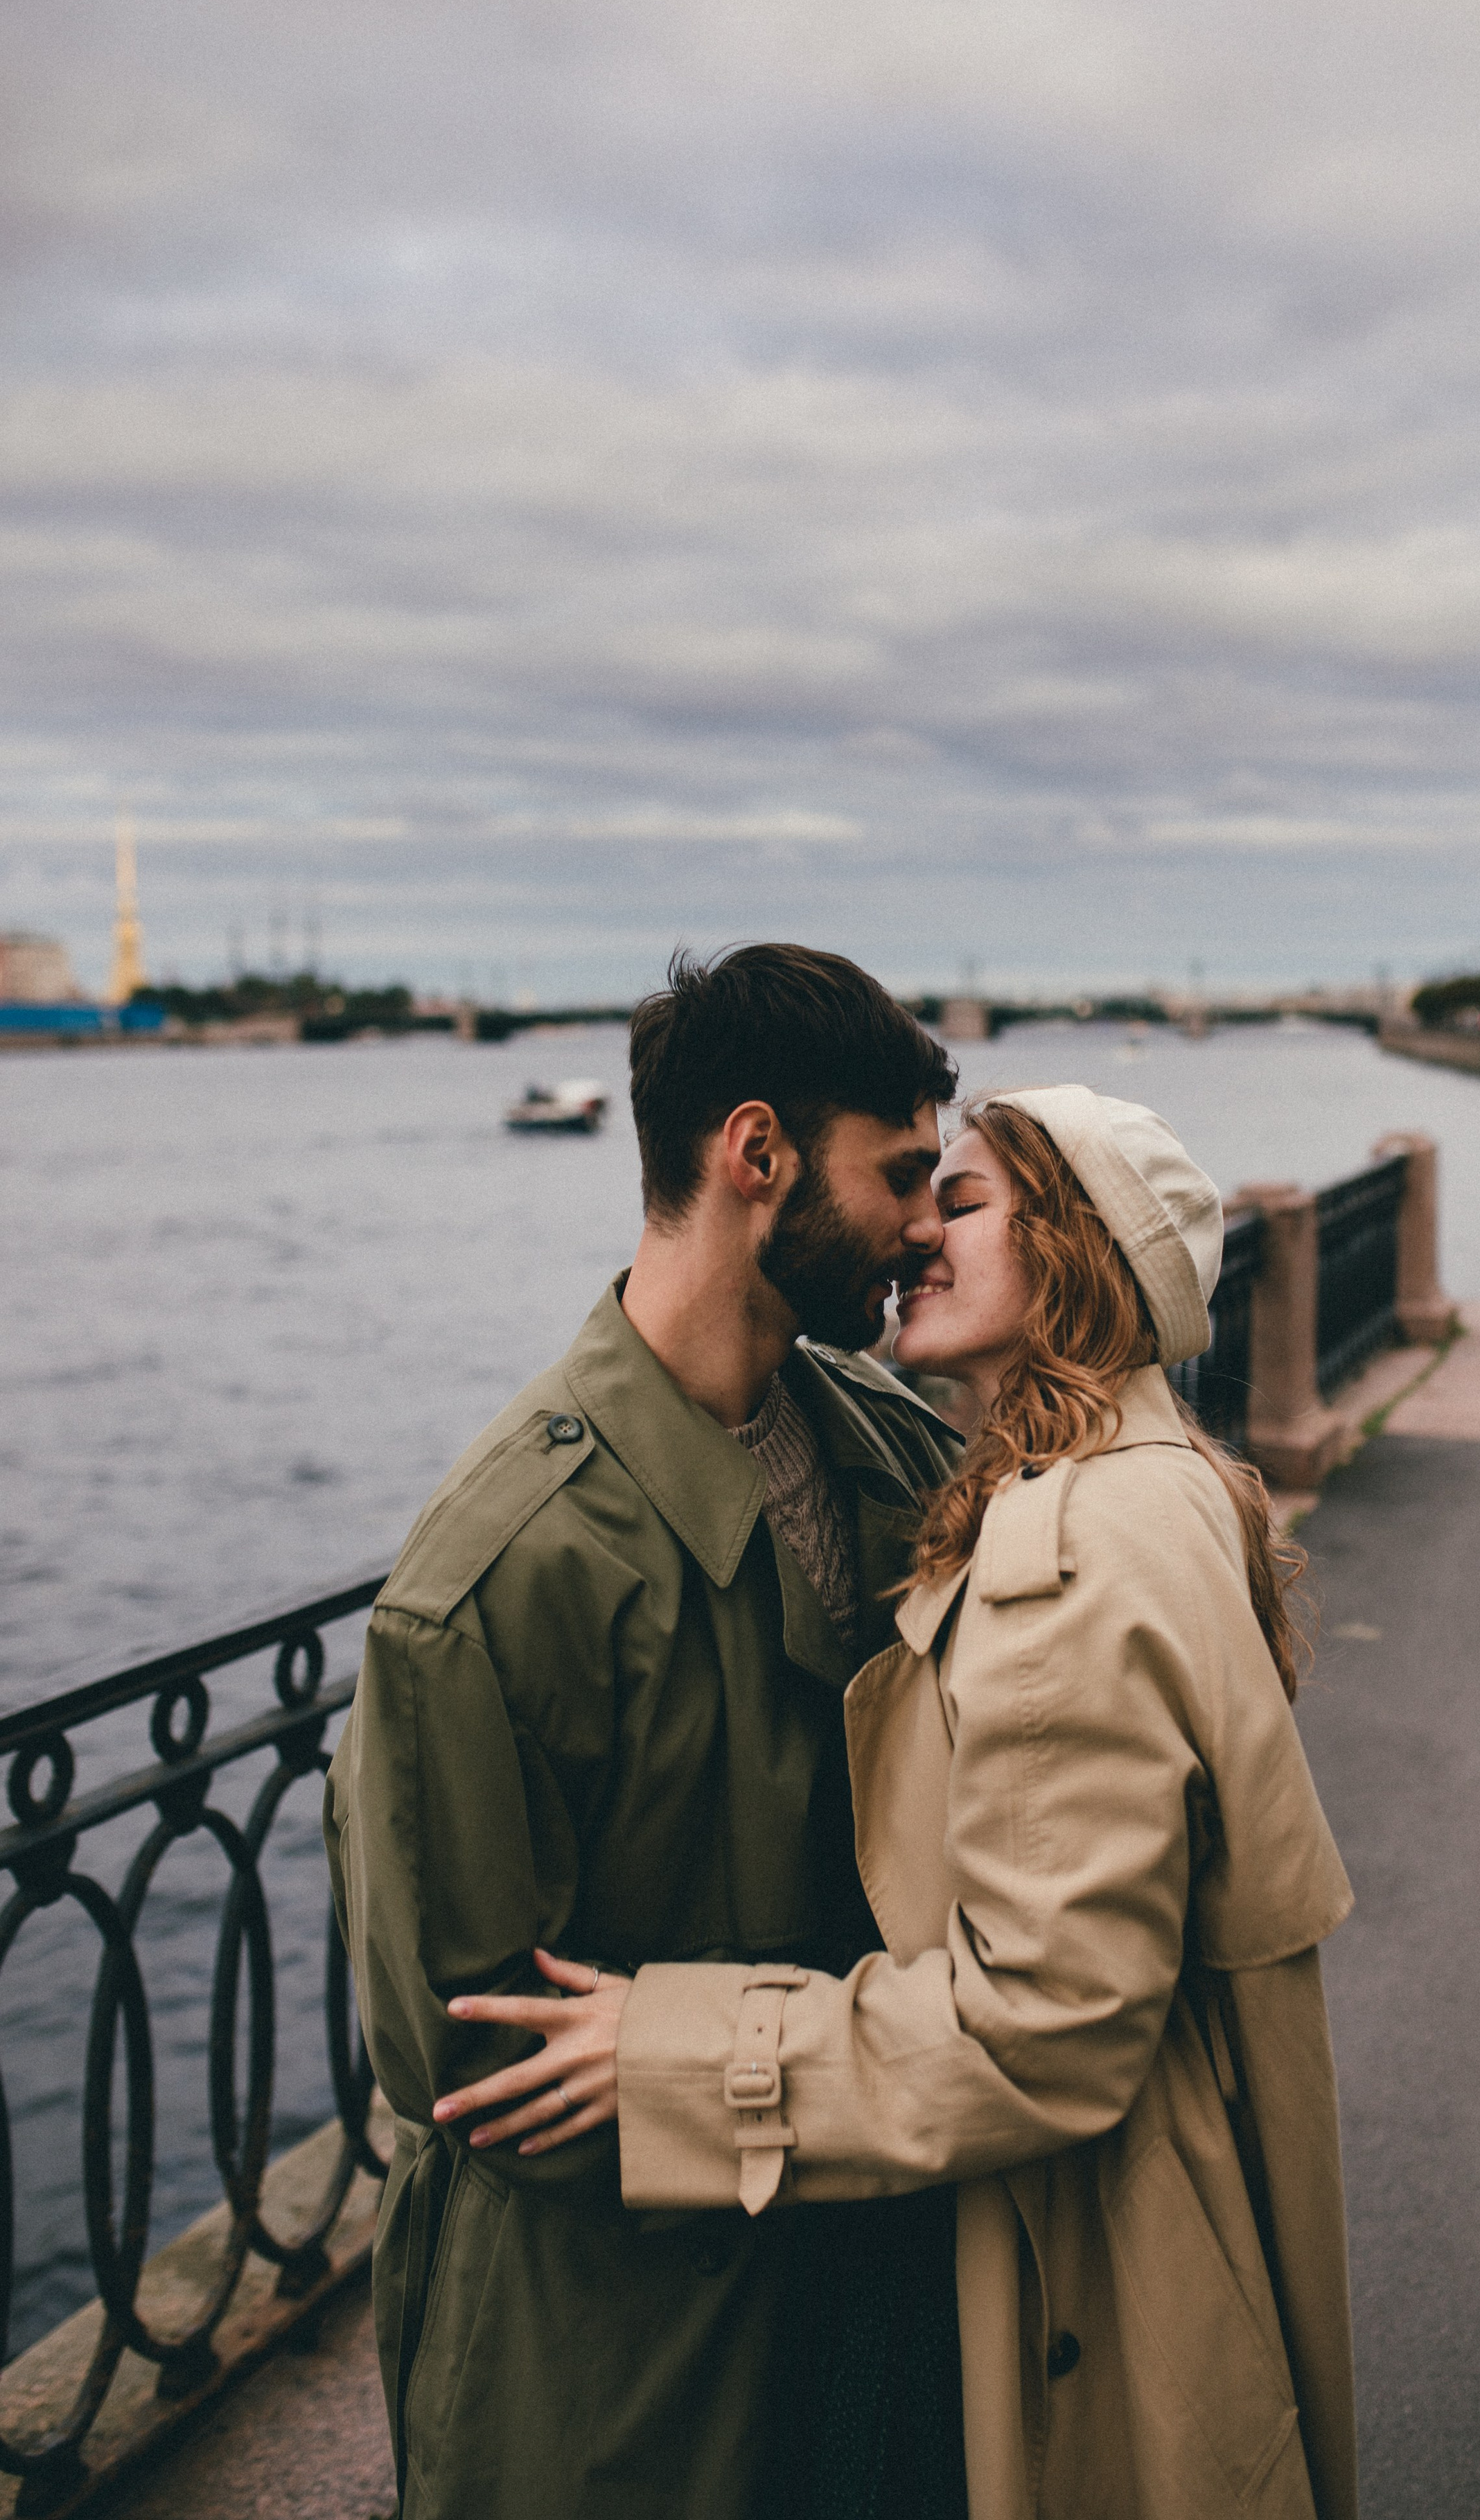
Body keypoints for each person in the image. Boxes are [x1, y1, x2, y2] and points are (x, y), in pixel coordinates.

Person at [446, 1085, 1359, 2520]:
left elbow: (1046, 2024)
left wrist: (671, 2054)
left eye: (968, 1201)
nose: (918, 1231)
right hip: (1150, 2197)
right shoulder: (1161, 1479)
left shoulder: (1067, 1558)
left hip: (1078, 2254)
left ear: (1079, 1250)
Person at [323, 944, 969, 2520]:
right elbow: (468, 2062)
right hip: (615, 2397)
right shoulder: (501, 1572)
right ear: (757, 1154)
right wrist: (821, 2073)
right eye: (901, 1175)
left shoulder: (892, 1450)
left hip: (862, 2342)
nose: (928, 1226)